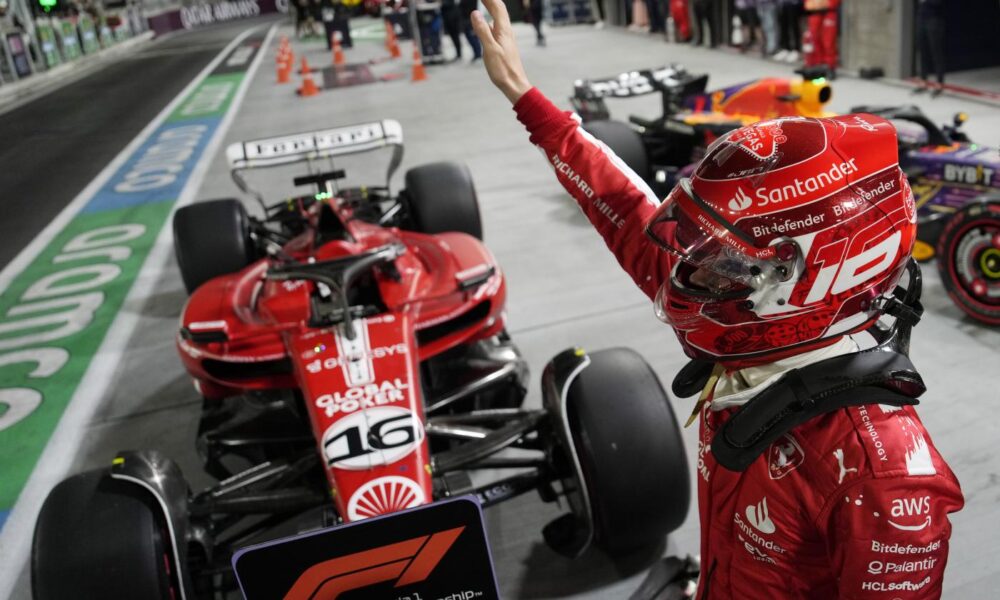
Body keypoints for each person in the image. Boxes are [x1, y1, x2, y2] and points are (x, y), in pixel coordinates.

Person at [470, 0, 964, 596]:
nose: (687, 275)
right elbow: (627, 212)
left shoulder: (884, 478)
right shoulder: (753, 328)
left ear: (803, 279)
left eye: (722, 264)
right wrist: (526, 97)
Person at [915, 0, 945, 96]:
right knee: (922, 51)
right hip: (921, 19)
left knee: (936, 52)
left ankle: (939, 83)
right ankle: (923, 81)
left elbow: (938, 3)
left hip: (934, 20)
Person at [803, 0, 839, 74]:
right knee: (814, 38)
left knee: (829, 41)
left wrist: (825, 3)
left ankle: (830, 66)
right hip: (814, 10)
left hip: (829, 11)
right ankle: (817, 65)